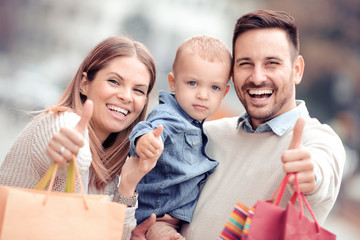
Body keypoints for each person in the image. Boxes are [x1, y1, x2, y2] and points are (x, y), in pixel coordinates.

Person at [132, 10, 346, 239]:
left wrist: (311, 174)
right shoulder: (208, 133)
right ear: (232, 75)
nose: (257, 76)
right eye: (246, 64)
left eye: (271, 63)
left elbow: (322, 167)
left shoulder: (317, 140)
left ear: (297, 70)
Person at [0, 36, 163, 240]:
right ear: (85, 84)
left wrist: (128, 186)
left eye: (138, 90)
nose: (126, 96)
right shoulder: (59, 122)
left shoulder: (112, 170)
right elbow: (67, 145)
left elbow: (109, 236)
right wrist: (65, 151)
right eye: (114, 81)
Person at [128, 35, 231, 239]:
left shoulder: (196, 122)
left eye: (214, 87)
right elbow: (149, 128)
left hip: (173, 217)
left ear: (224, 93)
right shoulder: (171, 116)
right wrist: (145, 140)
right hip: (154, 219)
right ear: (173, 83)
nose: (203, 95)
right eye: (193, 83)